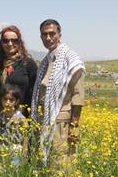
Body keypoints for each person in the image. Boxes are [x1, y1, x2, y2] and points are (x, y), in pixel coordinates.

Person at [31, 19, 85, 165]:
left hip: (62, 121)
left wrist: (74, 126)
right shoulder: (46, 61)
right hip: (44, 119)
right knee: (45, 163)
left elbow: (78, 95)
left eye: (52, 34)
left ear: (59, 34)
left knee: (60, 163)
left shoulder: (70, 59)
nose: (48, 38)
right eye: (44, 35)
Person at [0, 25, 37, 145]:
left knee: (21, 157)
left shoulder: (28, 64)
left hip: (21, 119)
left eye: (14, 40)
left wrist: (24, 112)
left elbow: (34, 92)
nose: (10, 43)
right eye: (6, 40)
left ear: (20, 42)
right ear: (1, 44)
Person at [0, 84, 26, 166]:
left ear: (16, 101)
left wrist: (25, 155)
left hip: (15, 151)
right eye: (5, 99)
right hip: (1, 150)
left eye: (11, 100)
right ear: (1, 100)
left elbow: (26, 138)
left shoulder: (20, 118)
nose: (8, 102)